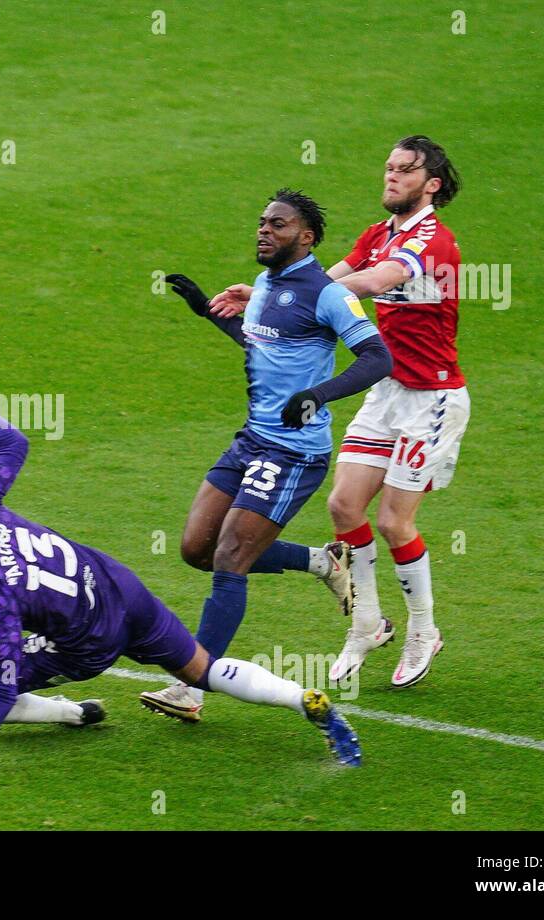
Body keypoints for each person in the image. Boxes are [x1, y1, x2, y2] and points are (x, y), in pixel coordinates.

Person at [0, 393, 362, 777]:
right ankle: (299, 699)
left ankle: (69, 713)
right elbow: (12, 444)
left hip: (86, 642)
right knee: (201, 669)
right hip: (118, 587)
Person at [206, 138, 466, 688]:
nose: (391, 177)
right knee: (345, 507)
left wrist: (288, 297)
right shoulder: (379, 233)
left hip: (432, 397)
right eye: (389, 167)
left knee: (395, 521)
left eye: (404, 171)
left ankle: (424, 629)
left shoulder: (432, 240)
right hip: (387, 390)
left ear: (432, 184)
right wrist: (267, 293)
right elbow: (325, 277)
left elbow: (375, 281)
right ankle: (366, 624)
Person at [139, 188, 392, 722]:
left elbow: (377, 357)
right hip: (252, 439)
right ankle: (321, 561)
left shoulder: (328, 294)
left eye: (277, 225)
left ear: (305, 237)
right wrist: (206, 310)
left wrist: (318, 395)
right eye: (261, 222)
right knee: (196, 548)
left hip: (295, 452)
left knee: (231, 556)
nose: (263, 231)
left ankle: (192, 688)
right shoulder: (264, 284)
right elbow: (262, 345)